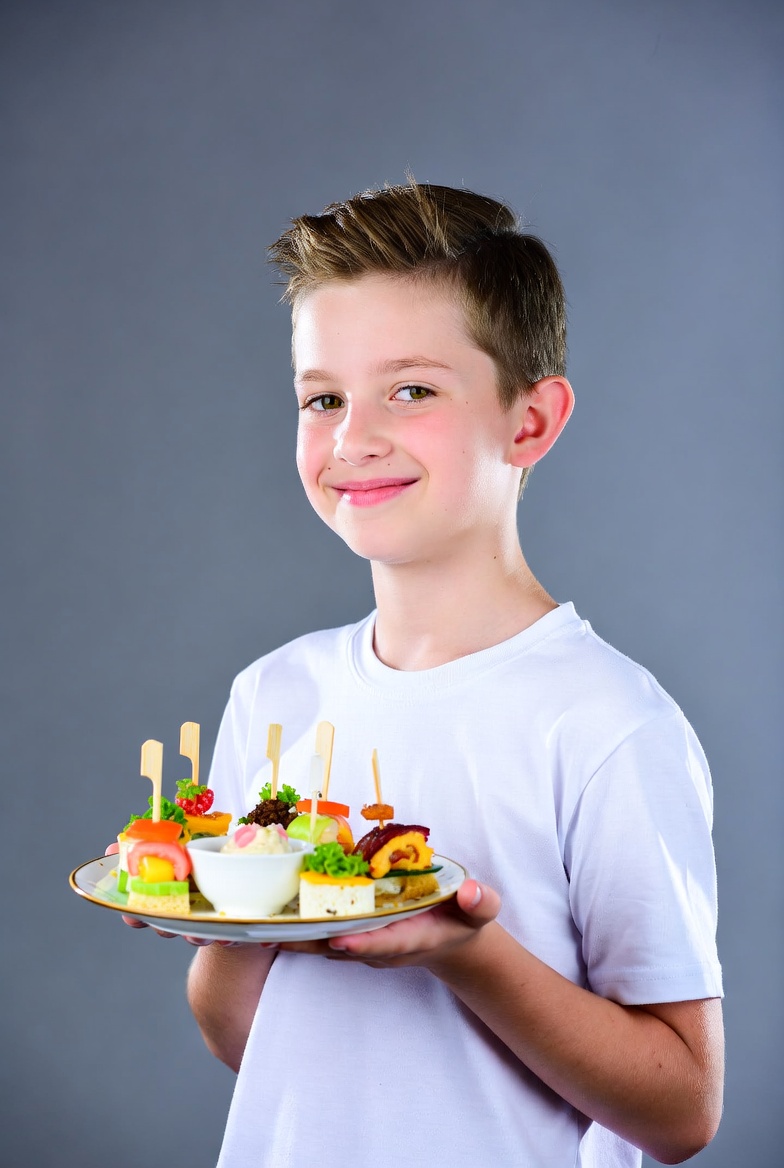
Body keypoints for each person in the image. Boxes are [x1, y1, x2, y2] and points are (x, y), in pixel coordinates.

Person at [185, 182, 724, 1167]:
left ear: (529, 422)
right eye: (323, 398)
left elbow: (681, 1108)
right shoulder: (272, 698)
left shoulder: (603, 720)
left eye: (413, 389)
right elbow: (244, 1037)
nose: (354, 438)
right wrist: (230, 903)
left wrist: (467, 952)